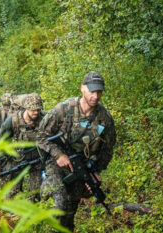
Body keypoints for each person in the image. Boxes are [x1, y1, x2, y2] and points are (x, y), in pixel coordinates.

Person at [37, 71, 116, 231]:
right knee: (58, 205)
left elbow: (107, 150)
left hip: (81, 167)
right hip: (57, 164)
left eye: (99, 91)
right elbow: (41, 137)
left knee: (69, 214)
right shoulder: (63, 110)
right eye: (92, 91)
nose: (95, 95)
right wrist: (58, 155)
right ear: (82, 88)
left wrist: (94, 172)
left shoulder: (104, 118)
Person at [0, 93, 45, 201]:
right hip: (18, 160)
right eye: (33, 110)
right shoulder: (13, 120)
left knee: (36, 193)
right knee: (13, 192)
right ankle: (12, 214)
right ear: (26, 108)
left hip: (37, 160)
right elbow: (2, 140)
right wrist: (0, 161)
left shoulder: (44, 119)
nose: (36, 112)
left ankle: (31, 215)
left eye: (38, 109)